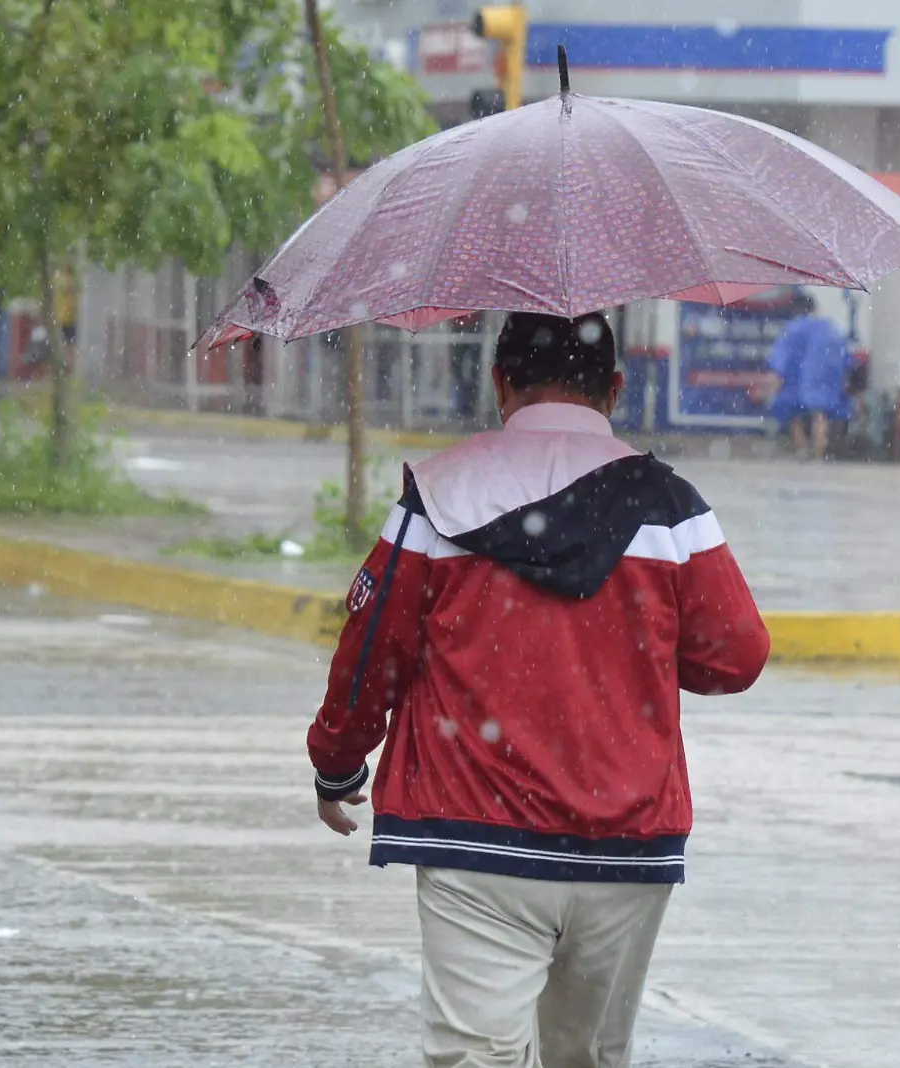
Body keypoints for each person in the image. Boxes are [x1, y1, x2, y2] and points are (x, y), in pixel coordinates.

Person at [308, 310, 770, 1068]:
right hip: (626, 846)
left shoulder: (438, 500)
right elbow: (737, 655)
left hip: (473, 837)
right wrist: (638, 644)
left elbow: (370, 658)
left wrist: (337, 763)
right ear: (616, 389)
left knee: (473, 1055)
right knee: (583, 1057)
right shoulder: (670, 507)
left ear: (499, 383)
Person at [764, 291, 855, 460]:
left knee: (793, 415)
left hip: (797, 381)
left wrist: (776, 379)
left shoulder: (792, 328)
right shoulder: (829, 327)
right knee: (820, 414)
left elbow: (781, 357)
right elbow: (844, 355)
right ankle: (819, 455)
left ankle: (802, 449)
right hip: (824, 379)